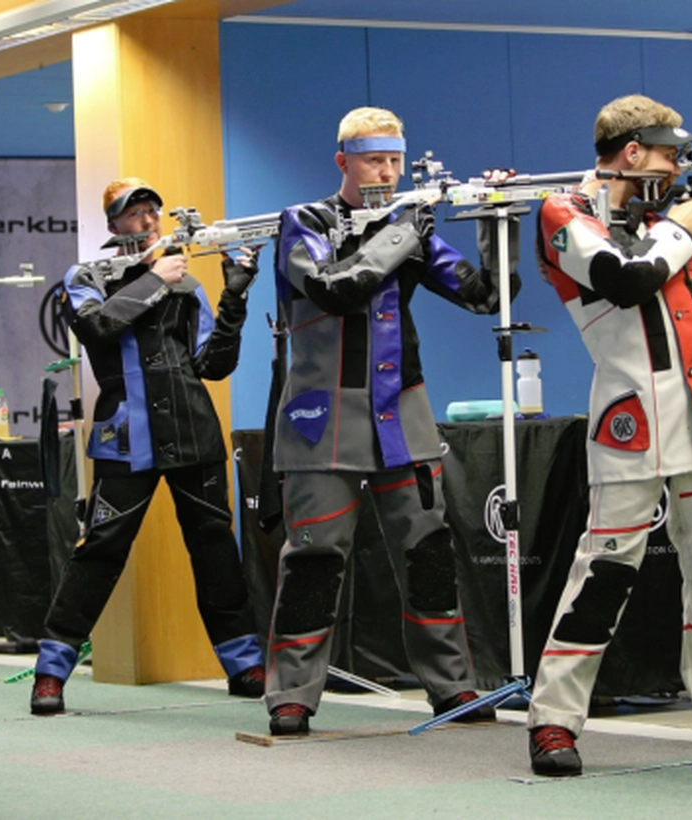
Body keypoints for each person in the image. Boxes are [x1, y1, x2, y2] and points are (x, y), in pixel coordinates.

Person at [525, 94, 692, 777]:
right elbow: (625, 279)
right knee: (605, 570)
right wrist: (679, 229)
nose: (677, 167)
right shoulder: (563, 212)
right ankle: (554, 718)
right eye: (669, 154)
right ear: (633, 152)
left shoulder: (663, 222)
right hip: (632, 416)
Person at [262, 106, 517, 735]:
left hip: (402, 413)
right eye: (375, 159)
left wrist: (497, 221)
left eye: (396, 160)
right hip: (321, 420)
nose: (388, 171)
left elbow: (485, 295)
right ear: (343, 161)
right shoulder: (304, 222)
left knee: (428, 555)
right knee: (314, 561)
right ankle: (291, 694)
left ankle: (453, 686)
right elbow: (334, 288)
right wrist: (403, 232)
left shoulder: (408, 226)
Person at [29, 178, 265, 715]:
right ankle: (51, 671)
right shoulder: (87, 277)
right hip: (125, 438)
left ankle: (244, 663)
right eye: (134, 212)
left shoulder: (187, 284)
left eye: (153, 210)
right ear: (112, 224)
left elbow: (214, 366)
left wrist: (234, 295)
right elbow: (97, 328)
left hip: (194, 434)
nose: (148, 219)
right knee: (99, 551)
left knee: (215, 550)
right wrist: (156, 279)